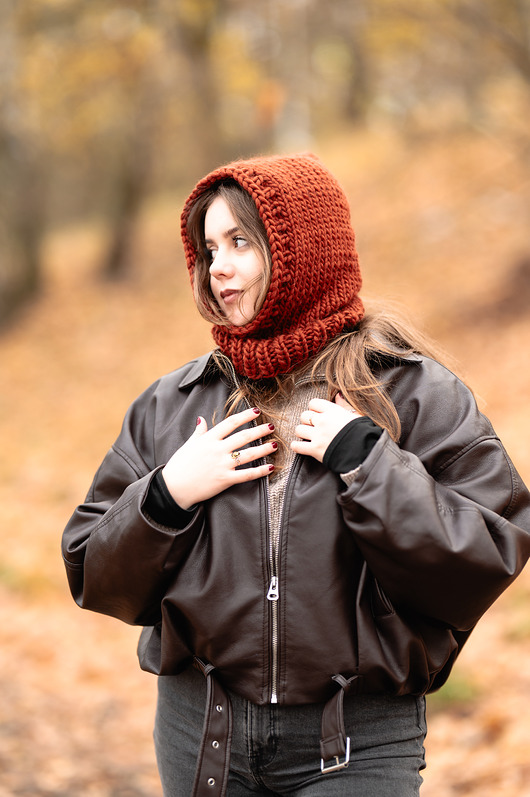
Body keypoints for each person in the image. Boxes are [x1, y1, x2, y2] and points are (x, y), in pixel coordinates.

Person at [62, 153, 530, 797]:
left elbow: (483, 561)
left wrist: (369, 463)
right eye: (208, 248)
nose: (217, 266)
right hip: (203, 733)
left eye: (240, 243)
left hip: (357, 742)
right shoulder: (173, 405)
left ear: (302, 253)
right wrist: (168, 496)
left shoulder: (415, 394)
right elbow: (94, 574)